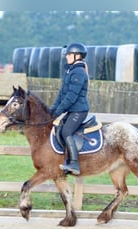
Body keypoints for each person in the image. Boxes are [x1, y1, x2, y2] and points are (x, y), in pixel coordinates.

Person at [50, 42, 89, 175]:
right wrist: (52, 110)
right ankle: (65, 160)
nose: (66, 57)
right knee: (60, 129)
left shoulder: (78, 72)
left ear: (77, 56)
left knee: (66, 131)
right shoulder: (70, 71)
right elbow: (62, 94)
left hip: (79, 110)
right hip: (73, 110)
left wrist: (58, 111)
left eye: (69, 54)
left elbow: (71, 97)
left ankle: (74, 164)